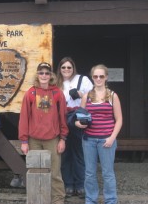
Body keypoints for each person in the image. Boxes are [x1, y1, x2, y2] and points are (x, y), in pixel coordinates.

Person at [19, 62, 69, 204]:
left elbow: (63, 117)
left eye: (47, 73)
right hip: (33, 139)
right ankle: (37, 199)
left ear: (51, 75)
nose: (44, 75)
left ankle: (58, 200)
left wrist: (63, 138)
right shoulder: (30, 93)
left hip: (53, 138)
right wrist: (24, 141)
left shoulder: (57, 93)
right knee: (35, 171)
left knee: (55, 172)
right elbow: (24, 118)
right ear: (37, 75)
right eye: (41, 73)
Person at [76, 64, 123, 204]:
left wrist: (112, 138)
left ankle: (111, 200)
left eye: (101, 76)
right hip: (88, 139)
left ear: (106, 77)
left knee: (108, 174)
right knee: (89, 173)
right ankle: (90, 200)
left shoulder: (113, 96)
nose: (98, 79)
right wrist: (79, 124)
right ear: (92, 77)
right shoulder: (86, 96)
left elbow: (119, 119)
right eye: (95, 76)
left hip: (107, 140)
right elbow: (80, 117)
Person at [56, 57, 93, 198]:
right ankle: (68, 184)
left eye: (69, 67)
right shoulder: (57, 82)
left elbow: (93, 98)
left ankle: (80, 184)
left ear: (73, 68)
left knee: (79, 153)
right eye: (63, 67)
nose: (66, 70)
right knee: (64, 154)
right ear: (60, 69)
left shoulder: (82, 80)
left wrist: (80, 95)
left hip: (77, 118)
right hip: (62, 119)